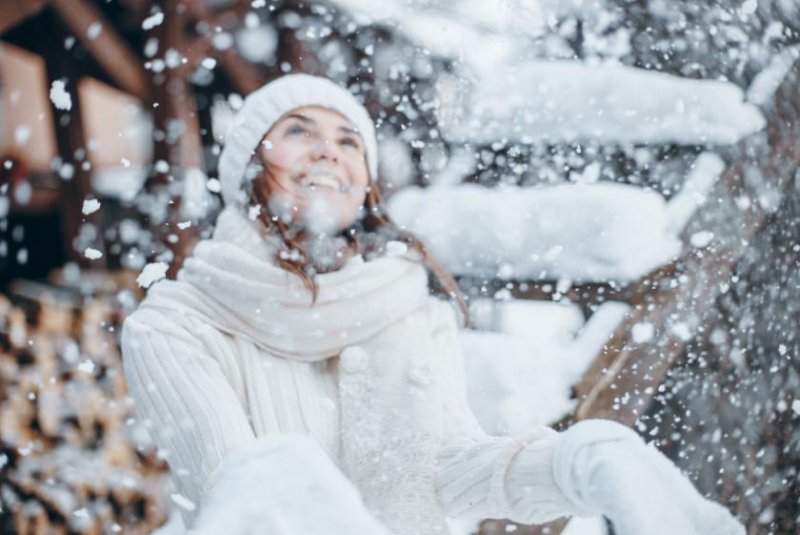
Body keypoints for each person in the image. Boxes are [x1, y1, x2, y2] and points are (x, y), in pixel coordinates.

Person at [121, 74, 744, 535]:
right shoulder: (176, 325)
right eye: (297, 132)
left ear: (365, 184)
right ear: (248, 165)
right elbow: (243, 499)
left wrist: (574, 464)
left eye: (349, 141)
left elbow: (445, 469)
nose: (328, 151)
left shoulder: (408, 307)